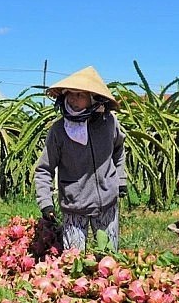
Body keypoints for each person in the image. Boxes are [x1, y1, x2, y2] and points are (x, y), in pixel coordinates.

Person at [34, 66, 127, 252]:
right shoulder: (59, 130)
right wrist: (45, 202)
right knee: (73, 261)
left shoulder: (109, 123)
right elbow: (44, 169)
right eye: (71, 95)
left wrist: (120, 179)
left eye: (80, 95)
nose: (74, 100)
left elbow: (119, 150)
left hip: (107, 203)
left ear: (92, 98)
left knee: (108, 258)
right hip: (74, 205)